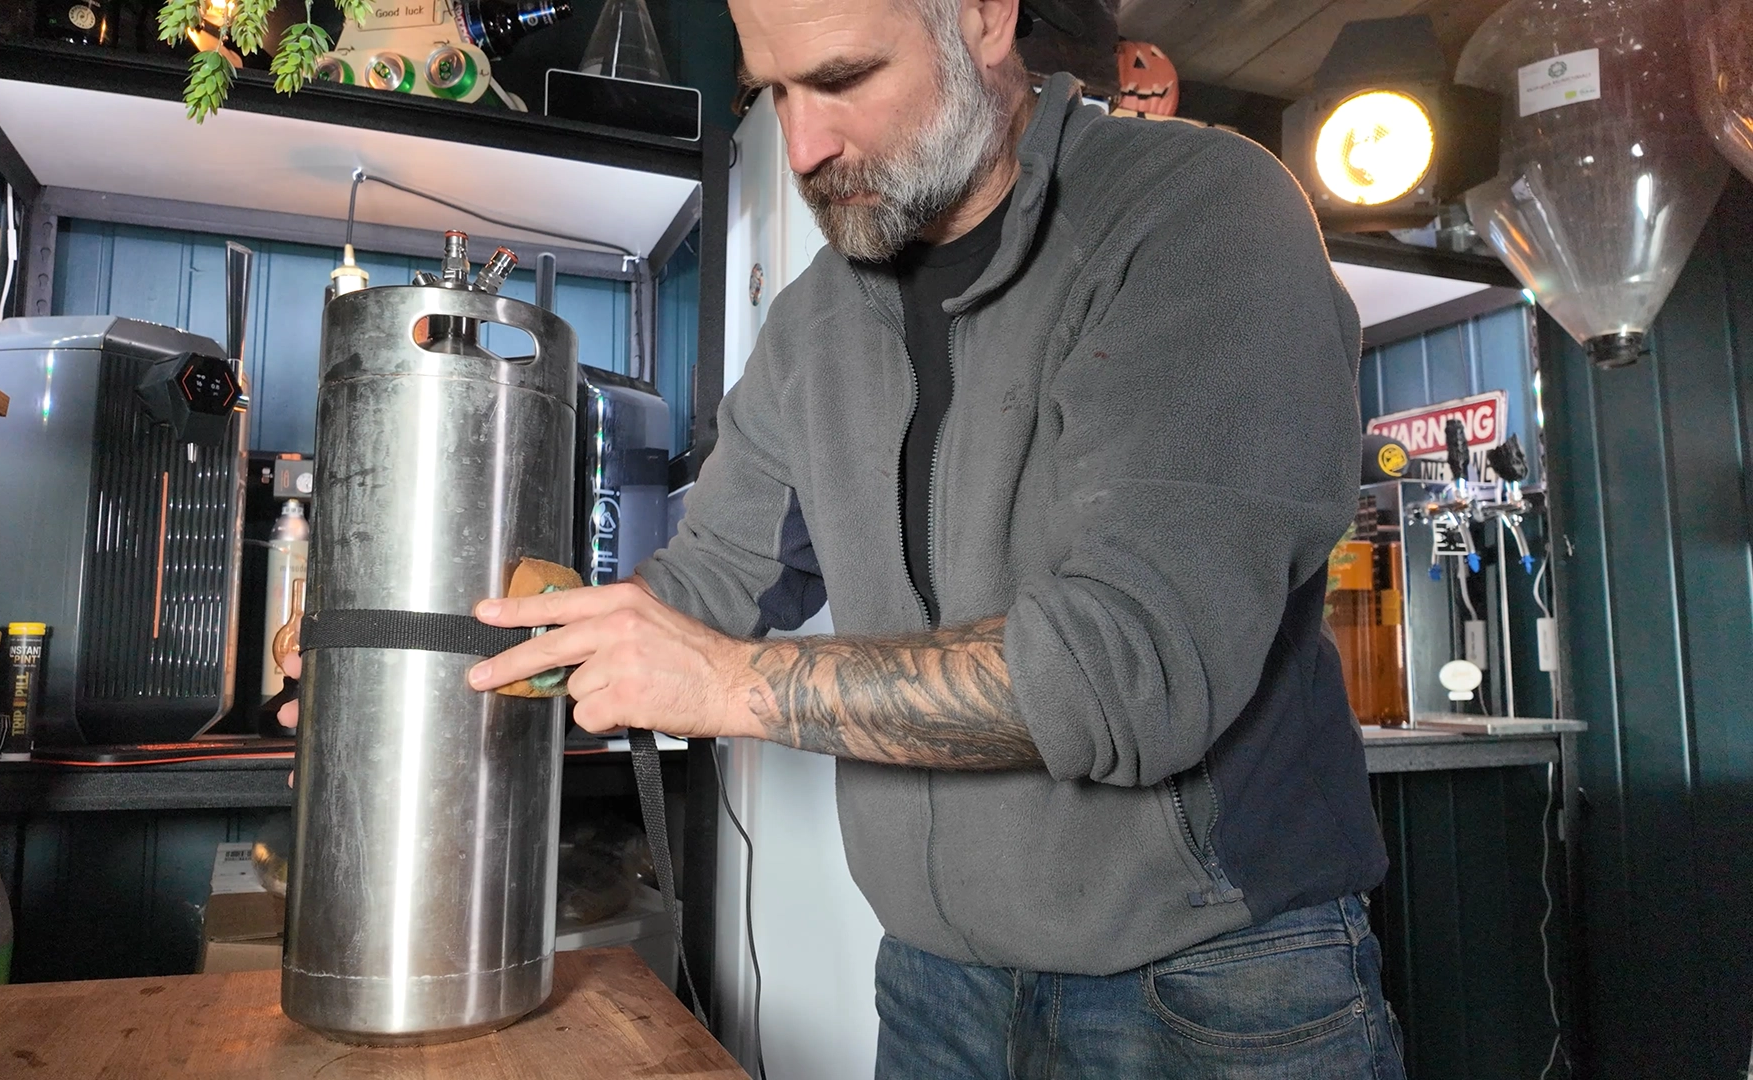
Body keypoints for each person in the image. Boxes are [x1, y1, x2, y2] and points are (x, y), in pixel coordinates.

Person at [290, 0, 1404, 1074]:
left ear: (983, 17)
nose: (804, 142)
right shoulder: (816, 321)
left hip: (1211, 991)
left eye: (841, 79)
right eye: (771, 89)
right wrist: (402, 650)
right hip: (934, 986)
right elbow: (705, 585)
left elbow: (1128, 675)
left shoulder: (1198, 214)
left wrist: (733, 687)